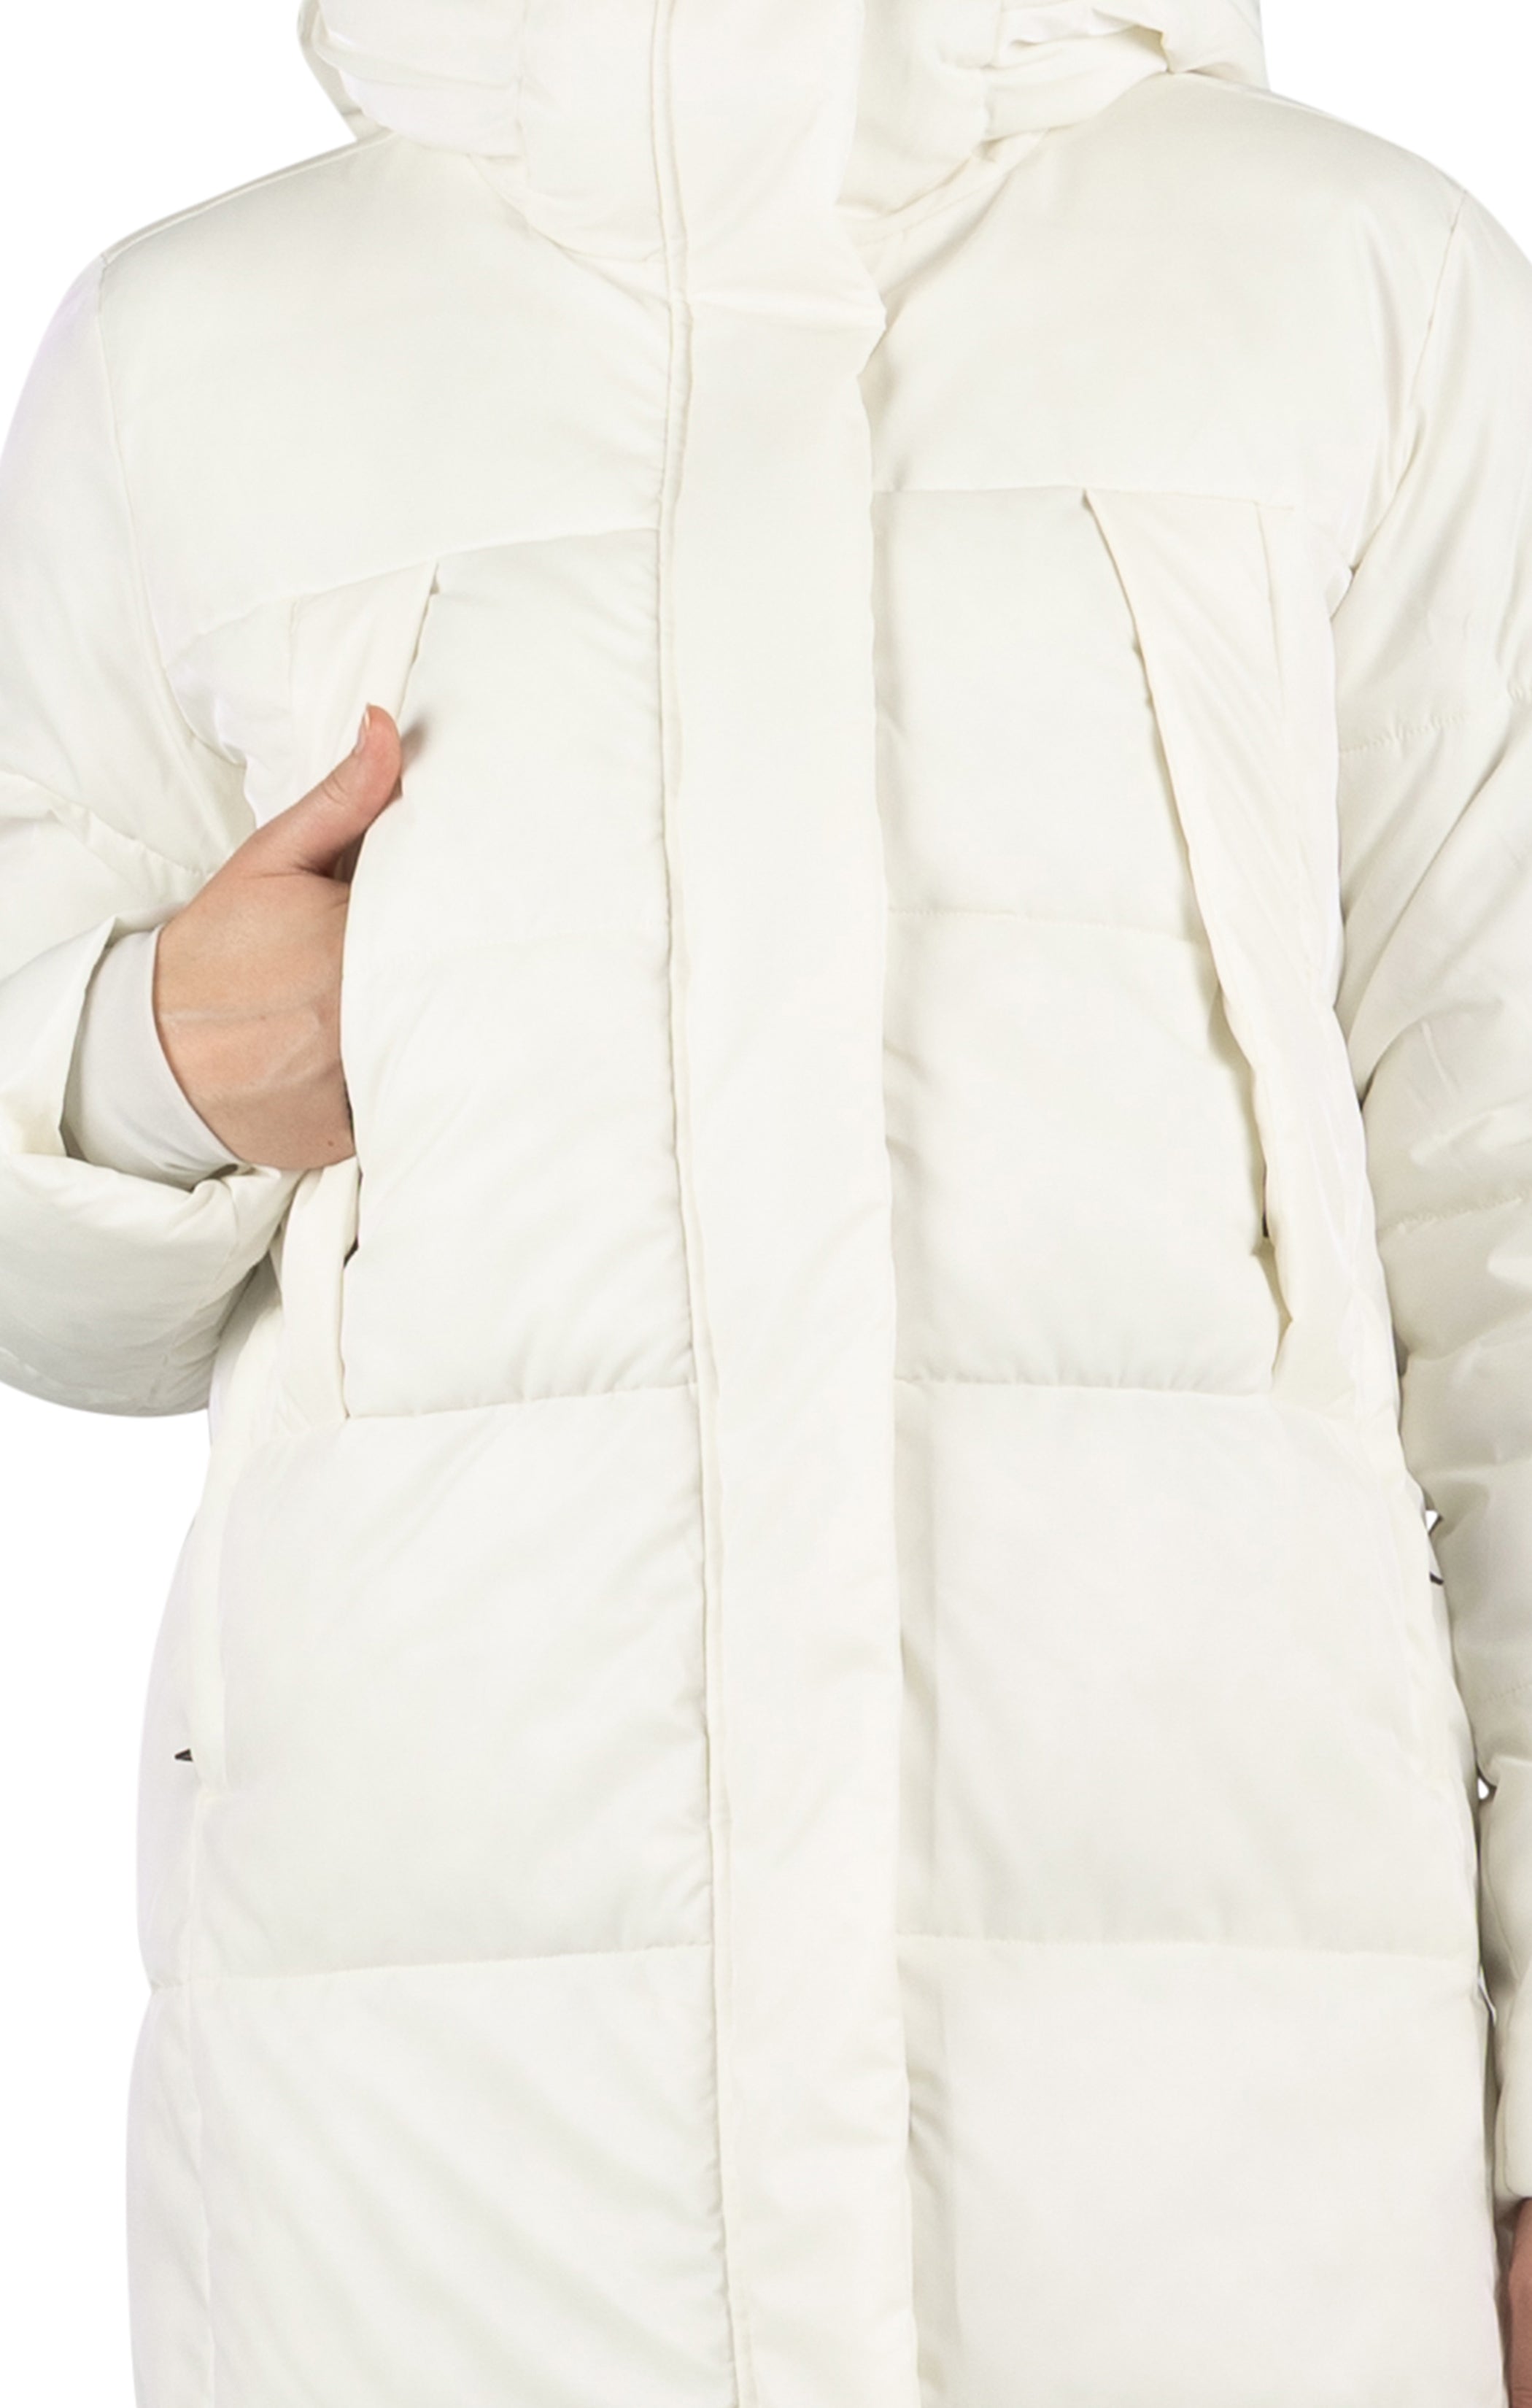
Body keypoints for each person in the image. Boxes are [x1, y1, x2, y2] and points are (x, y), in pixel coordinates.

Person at [2, 1, 1531, 2399]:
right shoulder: (187, 351)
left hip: (1214, 2157)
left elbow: (1501, 1206)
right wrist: (150, 1050)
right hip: (431, 2159)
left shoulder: (1351, 283)